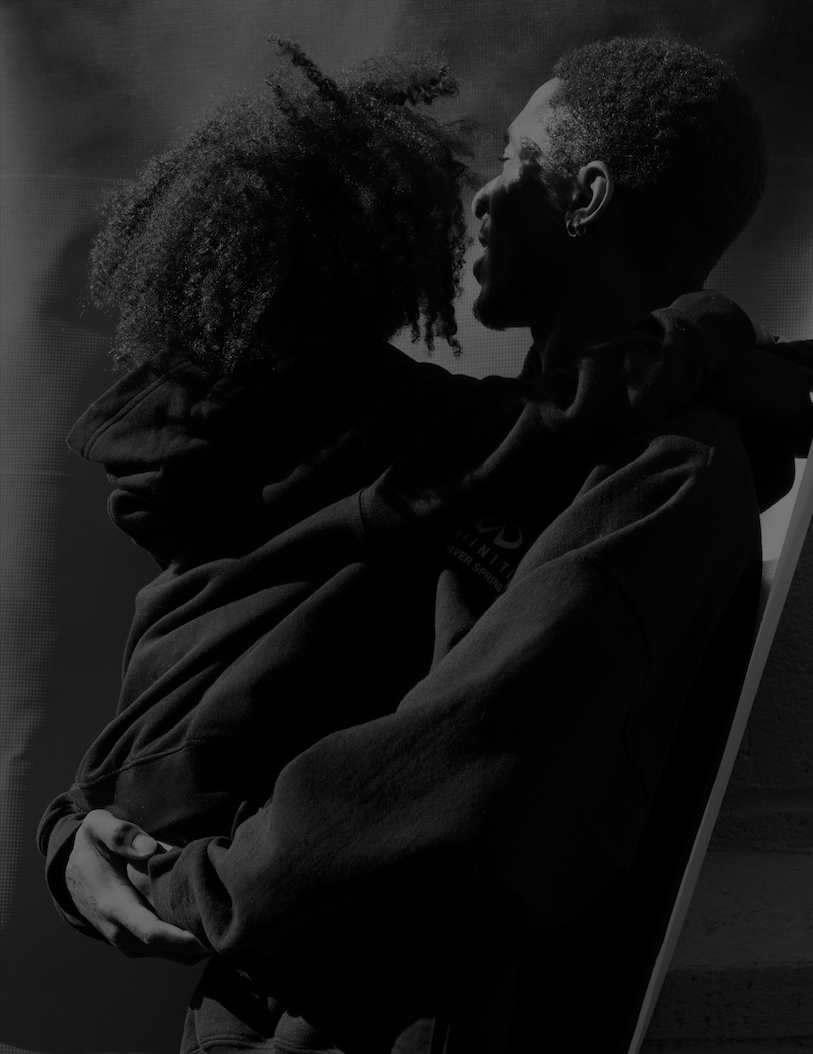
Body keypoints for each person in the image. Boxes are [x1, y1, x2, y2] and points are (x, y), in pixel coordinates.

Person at [39, 35, 813, 1053]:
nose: (481, 197)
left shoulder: (671, 472)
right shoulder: (465, 445)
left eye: (514, 158)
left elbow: (469, 770)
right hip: (255, 1012)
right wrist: (78, 836)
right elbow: (229, 681)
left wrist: (181, 884)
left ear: (584, 195)